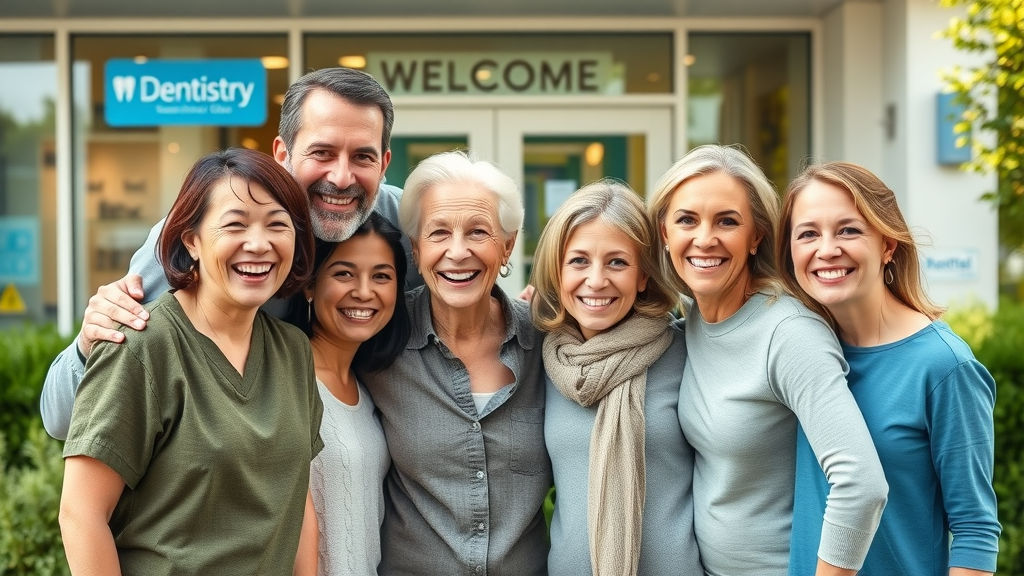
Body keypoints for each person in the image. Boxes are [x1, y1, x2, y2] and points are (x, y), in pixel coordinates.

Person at [41, 66, 419, 440]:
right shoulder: (207, 233)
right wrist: (88, 346)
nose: (341, 177)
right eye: (322, 152)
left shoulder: (408, 228)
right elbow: (62, 419)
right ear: (282, 153)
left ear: (384, 164)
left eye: (363, 157)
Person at [58, 148, 322, 575]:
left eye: (278, 224)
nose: (259, 244)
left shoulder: (293, 351)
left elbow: (297, 499)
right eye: (235, 224)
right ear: (191, 239)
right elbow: (80, 514)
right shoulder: (142, 344)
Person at [646, 144, 888, 576]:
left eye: (727, 221)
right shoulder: (696, 317)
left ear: (756, 234)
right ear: (665, 233)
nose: (705, 238)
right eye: (687, 220)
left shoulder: (789, 333)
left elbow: (862, 486)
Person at [779, 161, 1000, 576]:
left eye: (848, 230)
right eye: (808, 233)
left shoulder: (944, 366)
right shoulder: (801, 351)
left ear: (887, 245)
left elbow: (975, 528)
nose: (826, 249)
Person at [359, 150, 550, 576]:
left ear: (508, 246)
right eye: (439, 233)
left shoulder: (548, 344)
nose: (458, 251)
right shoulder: (377, 340)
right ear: (415, 247)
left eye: (478, 232)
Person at [530, 179, 702, 576]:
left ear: (643, 276)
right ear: (557, 271)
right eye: (578, 261)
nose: (596, 280)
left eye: (617, 262)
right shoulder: (543, 357)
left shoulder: (687, 350)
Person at [282, 212, 411, 576]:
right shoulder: (281, 375)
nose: (364, 291)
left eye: (382, 276)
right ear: (308, 285)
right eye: (344, 273)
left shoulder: (370, 389)